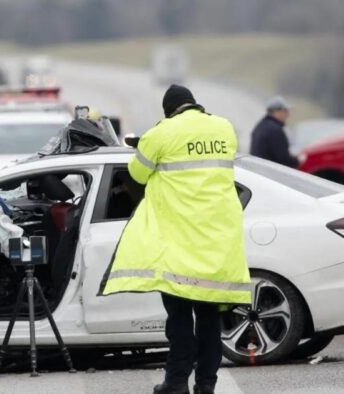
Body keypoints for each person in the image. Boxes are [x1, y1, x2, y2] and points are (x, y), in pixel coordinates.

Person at [99, 84, 251, 394]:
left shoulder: (162, 133)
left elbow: (137, 174)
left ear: (168, 110)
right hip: (217, 241)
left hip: (179, 243)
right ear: (193, 104)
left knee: (179, 319)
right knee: (209, 319)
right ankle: (207, 384)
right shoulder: (224, 127)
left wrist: (147, 147)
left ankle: (177, 382)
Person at [250, 96, 299, 167]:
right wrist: (298, 161)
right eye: (285, 110)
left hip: (259, 170)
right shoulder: (275, 130)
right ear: (277, 112)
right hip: (270, 173)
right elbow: (283, 159)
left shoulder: (260, 126)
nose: (288, 114)